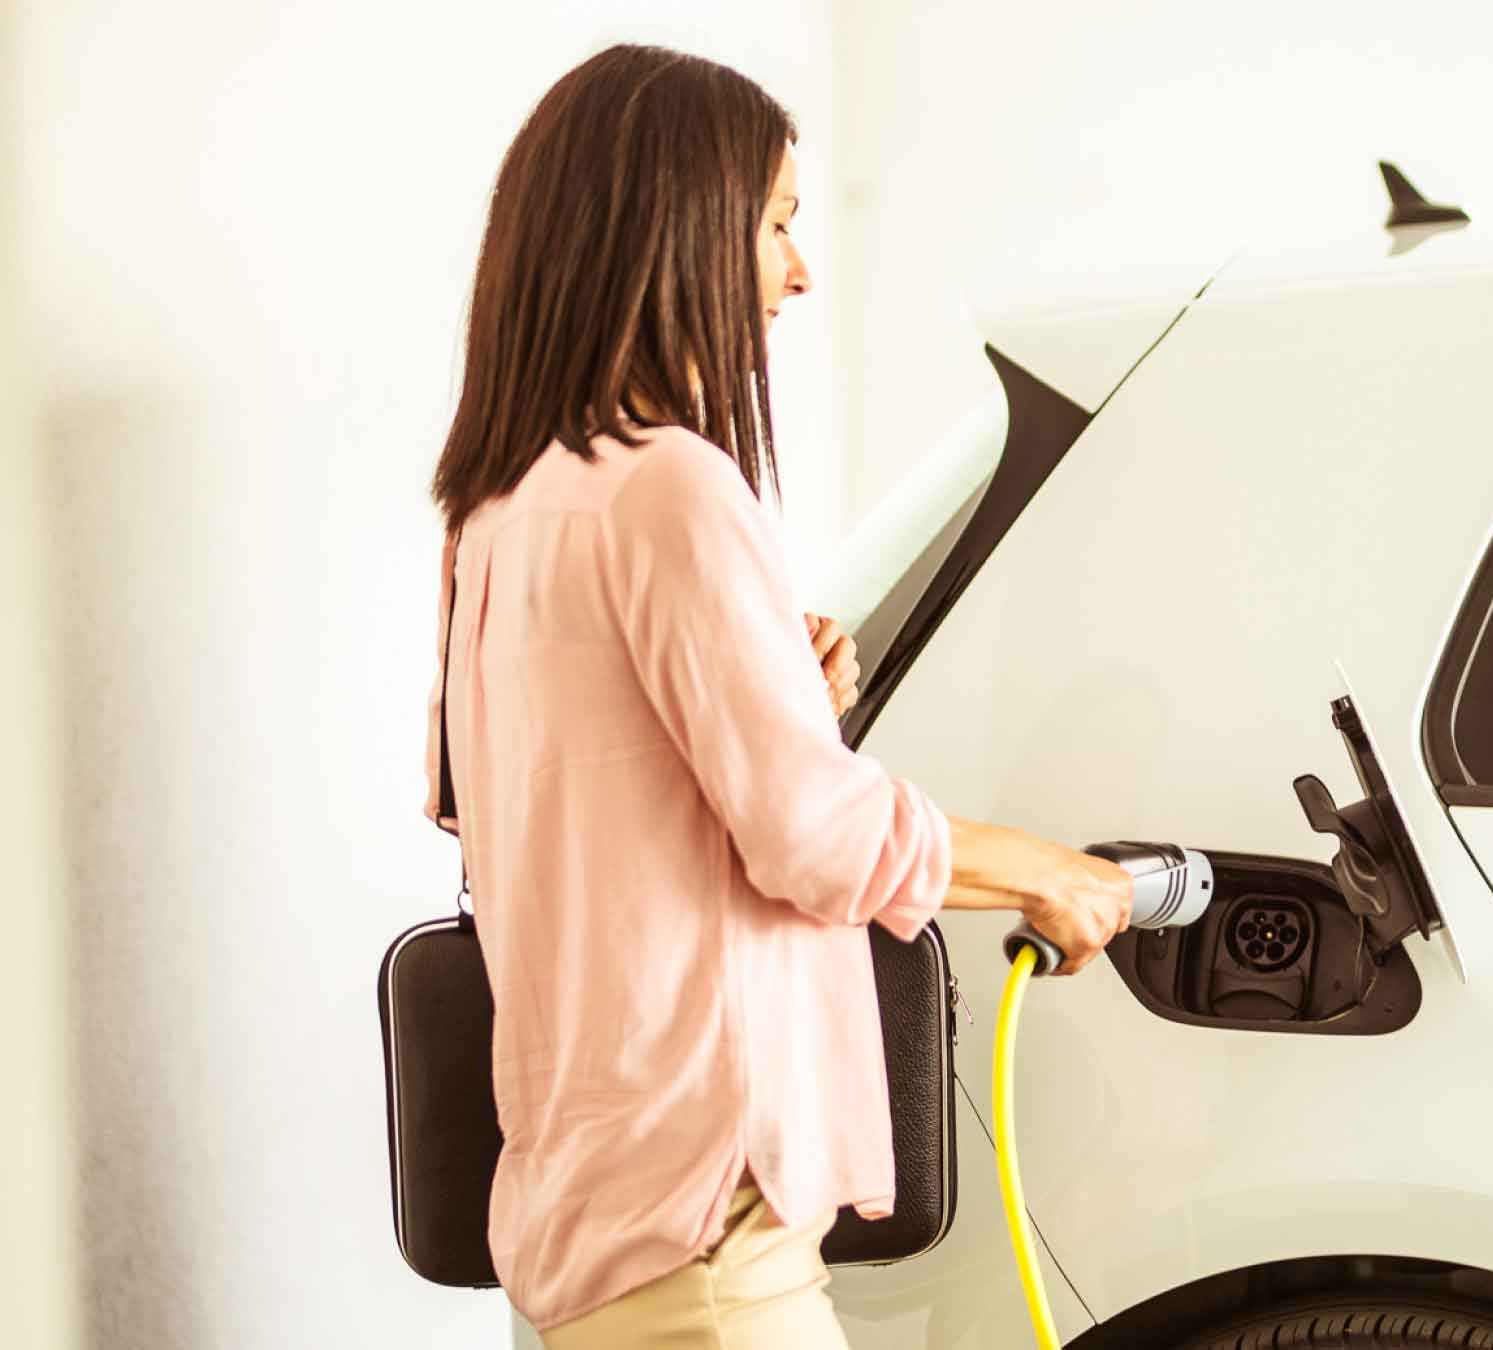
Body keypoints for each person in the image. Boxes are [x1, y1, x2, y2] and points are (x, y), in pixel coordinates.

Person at [422, 43, 1133, 1348]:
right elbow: (812, 836)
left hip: (585, 1229)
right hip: (706, 1243)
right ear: (672, 229)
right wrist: (1045, 869)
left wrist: (776, 703)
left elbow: (547, 813)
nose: (797, 270)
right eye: (779, 223)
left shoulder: (500, 514)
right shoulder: (670, 489)